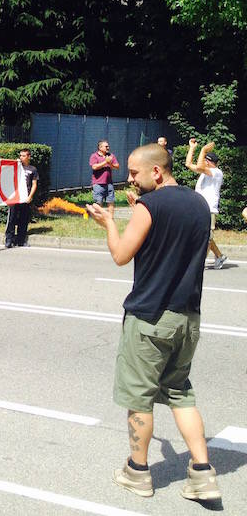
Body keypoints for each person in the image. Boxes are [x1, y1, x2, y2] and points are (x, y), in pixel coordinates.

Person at [87, 143, 220, 502]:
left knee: (139, 397)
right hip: (187, 317)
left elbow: (121, 254)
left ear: (156, 172)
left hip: (149, 317)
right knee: (180, 393)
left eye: (134, 172)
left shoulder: (150, 205)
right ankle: (203, 474)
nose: (130, 178)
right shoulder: (199, 205)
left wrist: (110, 223)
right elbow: (174, 245)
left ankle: (138, 471)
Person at [185, 139, 227, 270]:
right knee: (204, 235)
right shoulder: (205, 172)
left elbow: (198, 166)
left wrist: (203, 150)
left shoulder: (216, 172)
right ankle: (219, 256)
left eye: (204, 159)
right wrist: (192, 148)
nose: (201, 161)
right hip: (200, 207)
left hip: (209, 208)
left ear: (208, 162)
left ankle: (198, 262)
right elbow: (188, 164)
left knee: (207, 237)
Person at [4, 148, 37, 247]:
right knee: (12, 219)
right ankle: (9, 239)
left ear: (28, 157)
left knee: (23, 219)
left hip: (25, 198)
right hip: (15, 197)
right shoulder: (16, 167)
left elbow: (34, 184)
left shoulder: (33, 169)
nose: (21, 157)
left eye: (23, 156)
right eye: (20, 155)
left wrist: (30, 196)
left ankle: (21, 240)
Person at [89, 140, 120, 216]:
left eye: (108, 146)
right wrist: (105, 162)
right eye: (106, 146)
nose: (108, 148)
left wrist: (110, 163)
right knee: (98, 202)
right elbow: (94, 167)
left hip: (109, 183)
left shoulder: (110, 155)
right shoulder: (94, 156)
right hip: (98, 184)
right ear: (100, 147)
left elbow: (117, 166)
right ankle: (98, 218)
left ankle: (111, 219)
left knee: (111, 201)